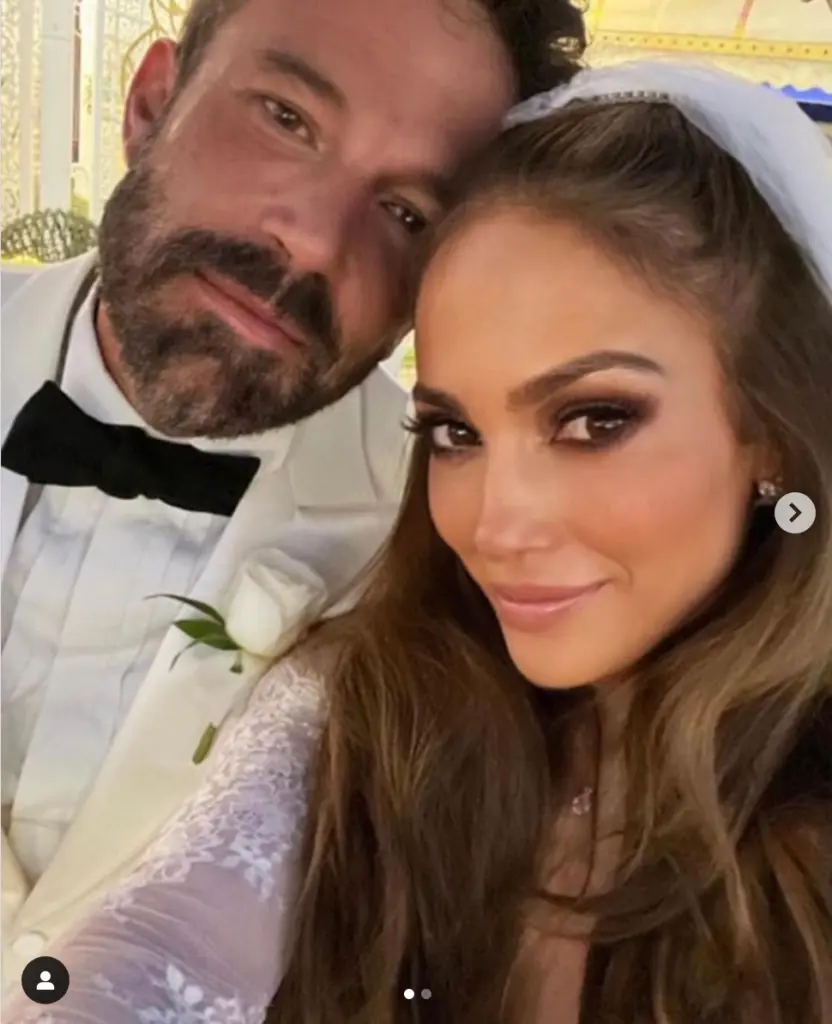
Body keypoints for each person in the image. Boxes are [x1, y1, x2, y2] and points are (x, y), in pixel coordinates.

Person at [7, 60, 832, 1024]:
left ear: (770, 431)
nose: (497, 525)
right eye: (454, 432)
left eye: (594, 420)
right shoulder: (375, 706)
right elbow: (166, 947)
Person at [0, 0, 586, 993]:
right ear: (152, 103)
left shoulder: (453, 556)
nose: (314, 243)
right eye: (286, 118)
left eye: (408, 212)